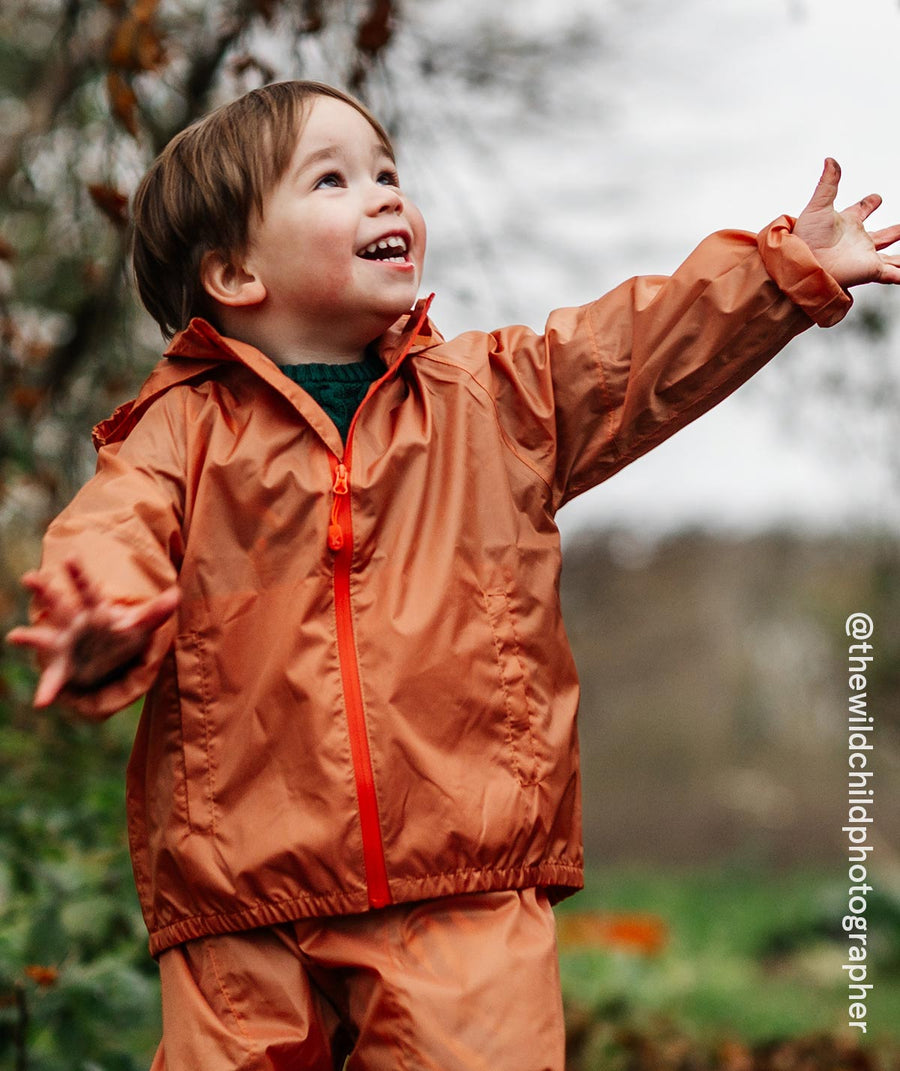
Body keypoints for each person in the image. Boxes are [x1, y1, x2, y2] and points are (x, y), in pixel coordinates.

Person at [6, 79, 900, 1070]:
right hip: (242, 906)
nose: (387, 195)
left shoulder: (491, 400)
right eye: (335, 179)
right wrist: (102, 616)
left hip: (466, 885)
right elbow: (111, 531)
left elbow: (631, 353)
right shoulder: (178, 434)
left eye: (389, 171)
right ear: (233, 272)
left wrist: (780, 275)